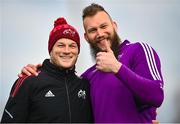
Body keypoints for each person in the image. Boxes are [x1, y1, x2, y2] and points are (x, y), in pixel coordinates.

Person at [17, 3, 164, 123]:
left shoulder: (138, 50)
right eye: (93, 30)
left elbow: (157, 95)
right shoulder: (87, 77)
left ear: (115, 26)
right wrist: (41, 71)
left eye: (104, 26)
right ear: (87, 37)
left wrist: (117, 68)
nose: (100, 33)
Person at [1, 17, 93, 123]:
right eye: (61, 45)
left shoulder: (84, 84)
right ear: (51, 50)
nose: (67, 51)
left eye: (72, 46)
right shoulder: (28, 82)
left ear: (78, 51)